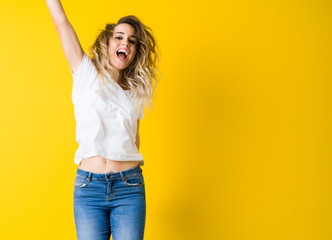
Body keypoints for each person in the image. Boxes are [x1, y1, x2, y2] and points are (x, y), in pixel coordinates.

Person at [46, 1, 160, 239]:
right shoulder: (84, 72)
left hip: (129, 188)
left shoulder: (135, 91)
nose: (125, 43)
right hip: (89, 189)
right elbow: (60, 22)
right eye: (119, 37)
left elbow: (134, 139)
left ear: (135, 52)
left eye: (131, 41)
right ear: (107, 43)